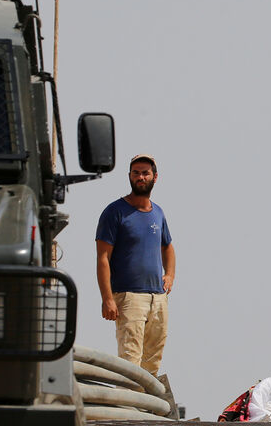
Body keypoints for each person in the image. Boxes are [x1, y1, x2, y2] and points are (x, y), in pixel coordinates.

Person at [96, 153, 175, 376]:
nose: (140, 177)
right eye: (136, 173)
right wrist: (107, 298)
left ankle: (145, 409)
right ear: (129, 177)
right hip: (129, 297)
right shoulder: (115, 212)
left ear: (154, 177)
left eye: (145, 173)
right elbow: (103, 257)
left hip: (158, 298)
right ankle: (128, 407)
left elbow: (168, 247)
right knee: (130, 361)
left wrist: (169, 275)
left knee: (152, 361)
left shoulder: (158, 212)